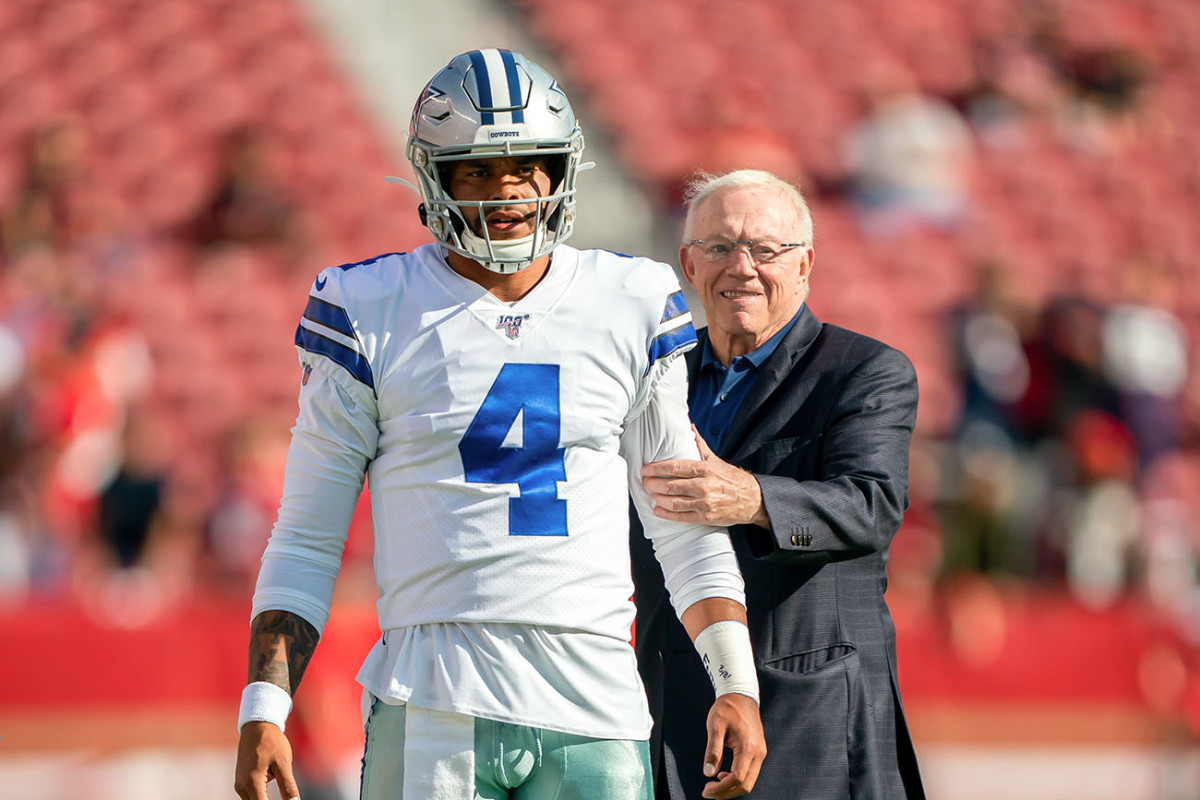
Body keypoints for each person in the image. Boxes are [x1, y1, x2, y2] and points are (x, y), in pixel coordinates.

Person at [233, 50, 765, 800]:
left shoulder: (631, 299)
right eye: (478, 170)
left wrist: (735, 680)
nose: (507, 190)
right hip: (434, 697)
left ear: (560, 170)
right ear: (434, 177)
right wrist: (265, 705)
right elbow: (308, 535)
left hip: (597, 704)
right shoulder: (369, 306)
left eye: (527, 164)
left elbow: (679, 524)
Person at [631, 169, 926, 799]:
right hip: (665, 708)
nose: (741, 267)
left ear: (804, 265)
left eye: (765, 250)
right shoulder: (653, 377)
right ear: (688, 262)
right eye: (718, 248)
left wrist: (755, 498)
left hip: (810, 718)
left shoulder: (865, 371)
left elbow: (871, 506)